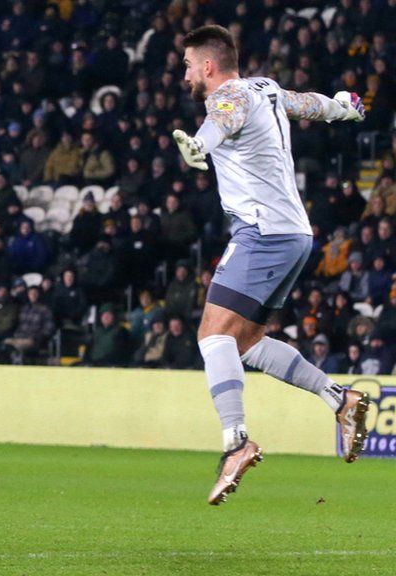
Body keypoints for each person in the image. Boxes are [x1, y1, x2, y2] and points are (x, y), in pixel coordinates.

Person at [171, 25, 369, 505]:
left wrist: (201, 144)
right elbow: (307, 103)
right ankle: (339, 399)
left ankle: (236, 443)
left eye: (188, 65)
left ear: (209, 66)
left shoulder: (231, 95)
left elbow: (224, 115)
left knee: (212, 338)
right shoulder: (266, 88)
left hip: (262, 233)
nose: (185, 75)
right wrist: (343, 106)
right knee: (245, 343)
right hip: (294, 234)